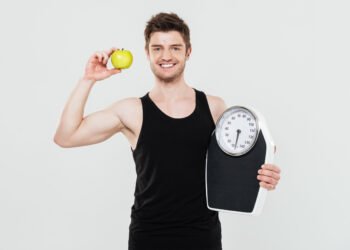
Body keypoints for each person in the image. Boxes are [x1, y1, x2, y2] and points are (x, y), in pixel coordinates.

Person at [54, 12, 281, 250]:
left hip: (203, 236)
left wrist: (263, 175)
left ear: (188, 52)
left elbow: (234, 164)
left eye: (175, 47)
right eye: (157, 48)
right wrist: (88, 79)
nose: (166, 56)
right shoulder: (132, 111)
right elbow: (66, 136)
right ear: (147, 53)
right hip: (148, 237)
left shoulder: (214, 107)